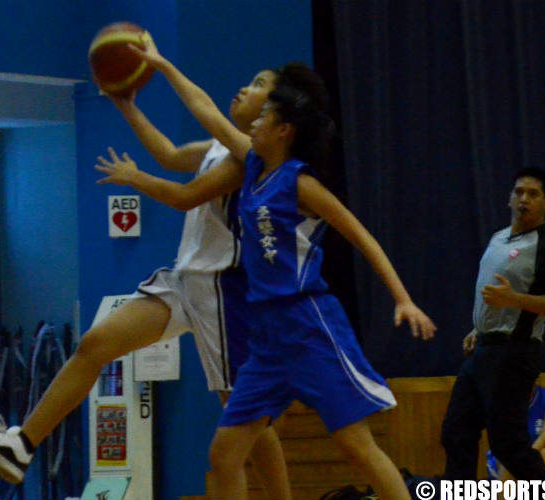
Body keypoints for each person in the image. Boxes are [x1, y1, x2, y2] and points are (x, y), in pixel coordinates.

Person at [99, 41, 436, 500]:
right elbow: (206, 110)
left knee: (355, 444)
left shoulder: (302, 184)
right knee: (225, 453)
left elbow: (361, 236)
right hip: (266, 337)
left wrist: (403, 298)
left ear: (283, 131)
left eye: (263, 118)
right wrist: (162, 65)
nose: (252, 123)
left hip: (309, 324)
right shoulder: (254, 163)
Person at [0, 66, 293, 499]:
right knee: (94, 345)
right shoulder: (216, 147)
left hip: (222, 292)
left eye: (258, 86)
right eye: (249, 80)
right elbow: (170, 156)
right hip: (184, 281)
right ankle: (21, 446)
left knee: (244, 415)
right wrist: (126, 105)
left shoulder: (247, 159)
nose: (244, 86)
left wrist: (158, 66)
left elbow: (182, 195)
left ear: (273, 114)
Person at [440, 167, 545, 482]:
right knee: (456, 434)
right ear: (509, 198)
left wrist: (514, 299)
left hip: (515, 353)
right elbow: (493, 299)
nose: (523, 199)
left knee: (508, 445)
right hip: (484, 351)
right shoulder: (498, 237)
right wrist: (480, 329)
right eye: (518, 192)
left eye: (533, 194)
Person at [486, 383, 545, 479]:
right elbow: (503, 438)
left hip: (536, 451)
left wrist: (527, 455)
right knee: (510, 459)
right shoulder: (503, 398)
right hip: (510, 450)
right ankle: (505, 493)